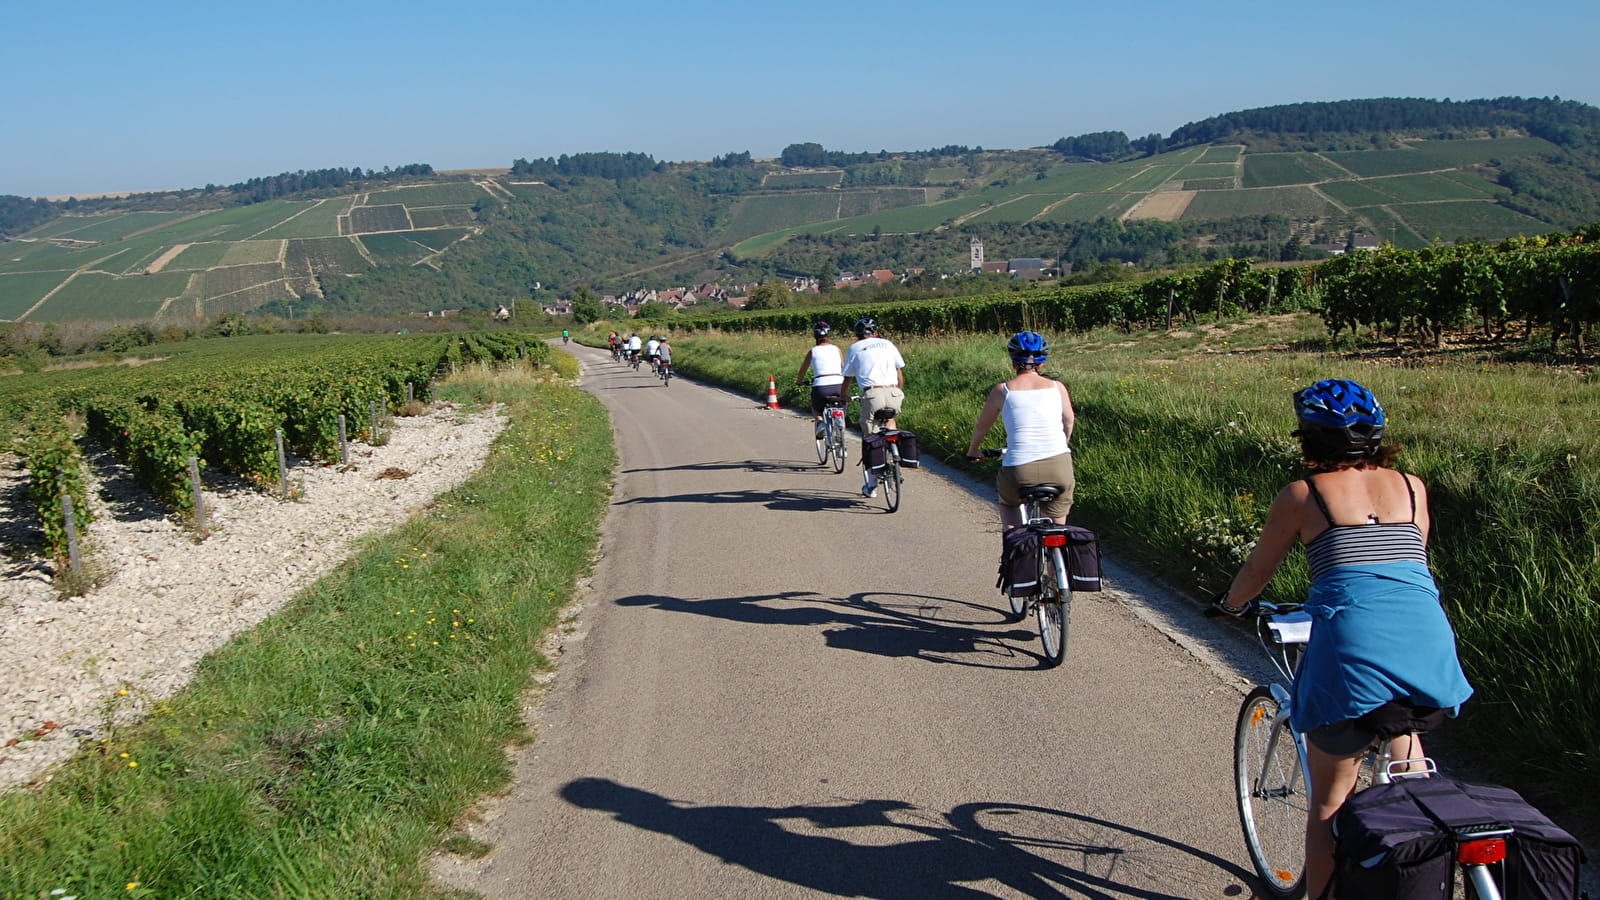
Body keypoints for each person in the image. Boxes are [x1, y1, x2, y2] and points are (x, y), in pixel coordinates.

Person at [1212, 378, 1473, 899]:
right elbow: (1406, 563)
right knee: (1410, 779)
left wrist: (1229, 606)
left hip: (1354, 649)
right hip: (1428, 644)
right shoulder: (1413, 487)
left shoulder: (1303, 495)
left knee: (1328, 807)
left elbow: (1259, 570)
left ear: (1309, 440)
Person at [963, 331, 1075, 527]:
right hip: (1059, 465)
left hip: (1018, 470)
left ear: (1013, 362)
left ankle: (1014, 545)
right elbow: (1068, 422)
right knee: (1058, 523)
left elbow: (981, 428)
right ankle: (1058, 551)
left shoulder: (1002, 390)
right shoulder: (1058, 387)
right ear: (1042, 362)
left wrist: (973, 451)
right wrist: (1060, 446)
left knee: (1009, 505)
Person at [839, 317, 906, 498]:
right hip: (894, 392)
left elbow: (848, 378)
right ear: (875, 332)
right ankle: (895, 453)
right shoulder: (887, 344)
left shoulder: (855, 347)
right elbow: (899, 371)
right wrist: (897, 391)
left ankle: (871, 484)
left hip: (872, 393)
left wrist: (843, 396)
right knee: (890, 419)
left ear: (857, 335)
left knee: (870, 438)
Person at [794, 321, 845, 438]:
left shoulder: (812, 352)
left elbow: (803, 370)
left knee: (815, 406)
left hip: (821, 386)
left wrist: (799, 381)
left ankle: (820, 422)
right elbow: (843, 366)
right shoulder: (836, 349)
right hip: (839, 384)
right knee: (842, 405)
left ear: (815, 335)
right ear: (829, 335)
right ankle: (841, 424)